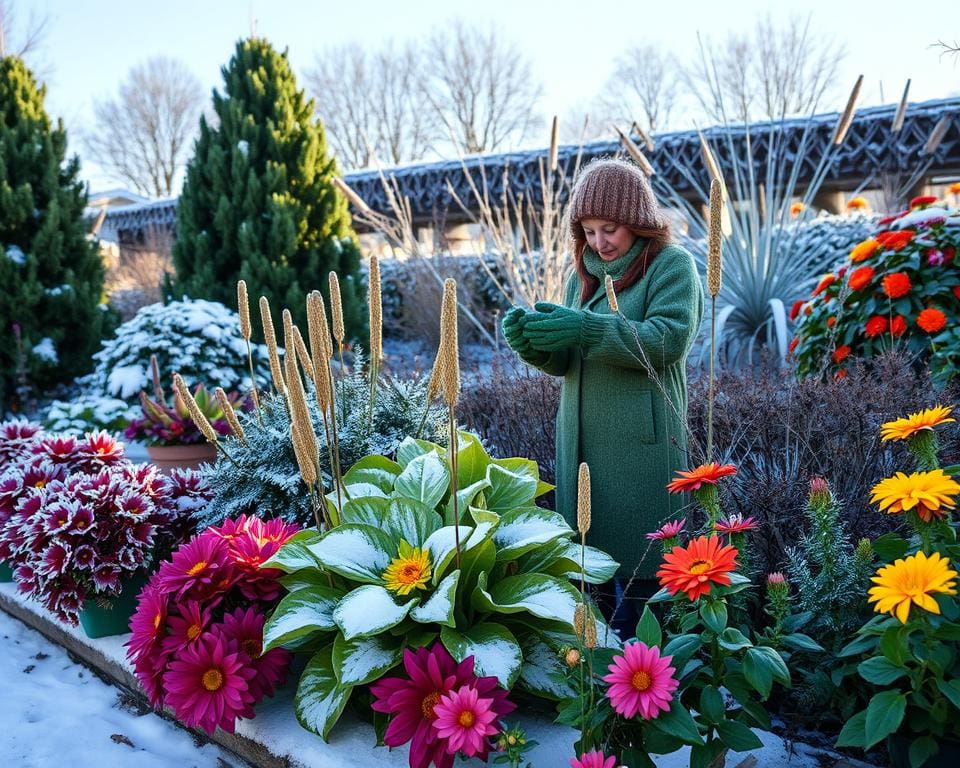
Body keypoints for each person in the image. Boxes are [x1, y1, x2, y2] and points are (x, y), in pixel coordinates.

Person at [501, 157, 703, 632]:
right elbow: (572, 362)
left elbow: (667, 340)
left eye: (609, 228)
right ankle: (599, 677)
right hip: (583, 450)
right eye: (588, 231)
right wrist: (535, 345)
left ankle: (656, 680)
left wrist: (587, 328)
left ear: (638, 222)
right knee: (590, 574)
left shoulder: (671, 267)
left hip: (640, 451)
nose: (599, 241)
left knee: (646, 574)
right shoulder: (582, 276)